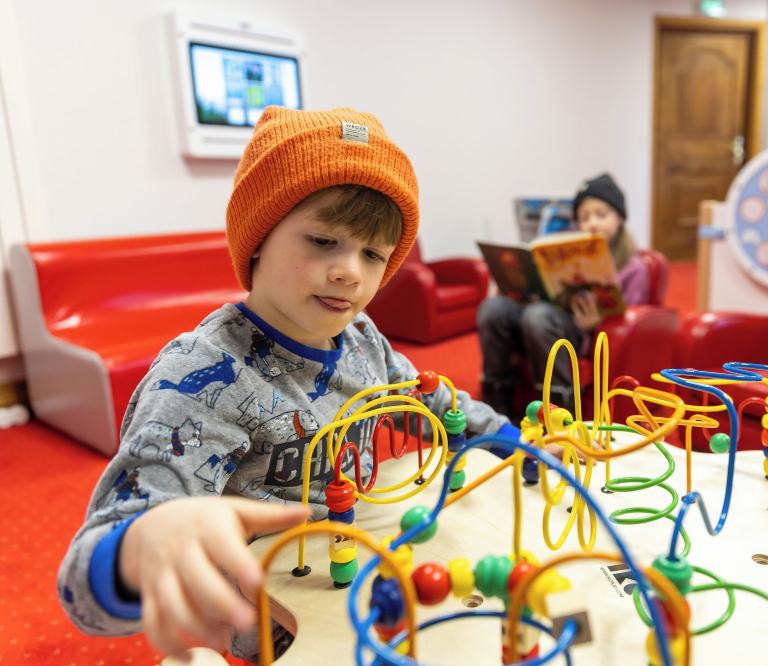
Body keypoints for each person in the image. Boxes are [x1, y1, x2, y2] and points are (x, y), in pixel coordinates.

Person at [57, 107, 519, 661]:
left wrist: (511, 441)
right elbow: (82, 584)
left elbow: (431, 398)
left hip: (360, 568)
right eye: (323, 241)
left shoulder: (363, 338)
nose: (350, 271)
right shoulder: (200, 374)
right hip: (280, 626)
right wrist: (133, 551)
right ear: (258, 239)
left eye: (373, 254)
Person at [477, 173, 652, 419]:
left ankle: (559, 412)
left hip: (579, 332)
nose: (592, 223)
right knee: (493, 309)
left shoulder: (634, 267)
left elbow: (631, 324)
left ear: (620, 217)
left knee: (538, 317)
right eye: (584, 217)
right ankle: (498, 406)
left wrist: (596, 325)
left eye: (601, 214)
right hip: (544, 317)